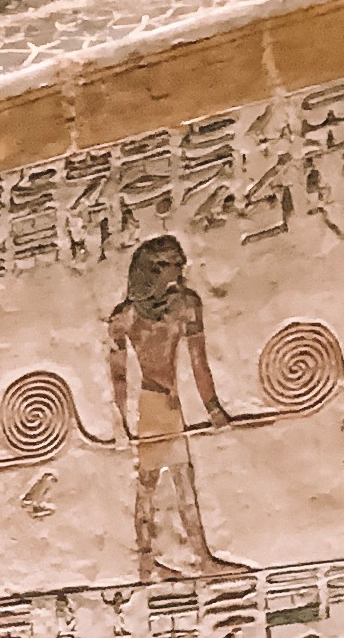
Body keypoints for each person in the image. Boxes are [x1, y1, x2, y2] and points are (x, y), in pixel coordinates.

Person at [105, 236, 247, 579]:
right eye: (174, 263)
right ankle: (176, 560)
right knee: (164, 481)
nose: (181, 268)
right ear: (154, 270)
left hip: (168, 404)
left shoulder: (185, 305)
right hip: (153, 405)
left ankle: (168, 559)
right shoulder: (125, 318)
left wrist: (213, 406)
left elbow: (199, 363)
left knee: (164, 481)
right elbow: (119, 377)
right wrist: (120, 423)